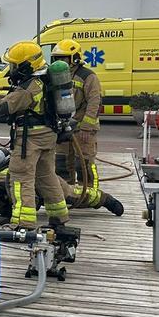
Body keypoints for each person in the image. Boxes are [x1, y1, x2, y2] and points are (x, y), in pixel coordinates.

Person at [0, 41, 69, 228]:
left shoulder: (29, 87)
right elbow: (10, 101)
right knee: (47, 177)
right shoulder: (43, 79)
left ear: (27, 65)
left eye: (14, 65)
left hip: (31, 140)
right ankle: (58, 217)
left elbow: (0, 107)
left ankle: (22, 222)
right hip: (47, 135)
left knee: (21, 179)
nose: (12, 69)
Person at [0, 166, 123, 221]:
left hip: (42, 178)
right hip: (31, 175)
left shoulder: (6, 183)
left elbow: (31, 200)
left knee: (73, 195)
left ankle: (106, 200)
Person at [52, 38, 102, 201]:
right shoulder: (56, 75)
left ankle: (90, 193)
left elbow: (94, 101)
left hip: (82, 128)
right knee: (62, 161)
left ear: (74, 57)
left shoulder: (88, 76)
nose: (60, 61)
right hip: (64, 127)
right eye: (57, 58)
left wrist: (87, 127)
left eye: (64, 58)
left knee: (84, 163)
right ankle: (66, 191)